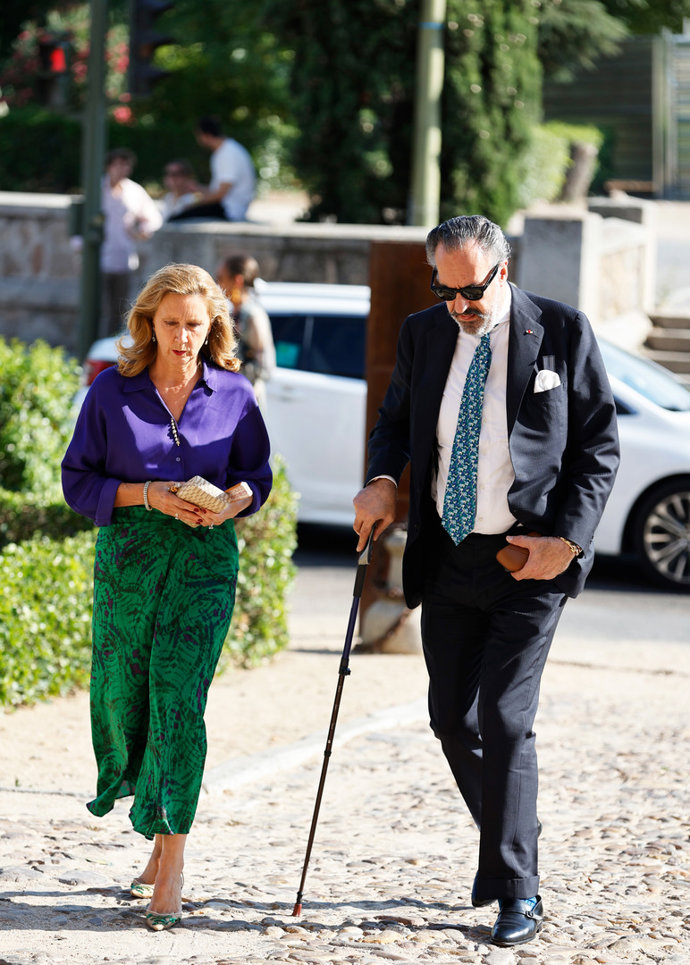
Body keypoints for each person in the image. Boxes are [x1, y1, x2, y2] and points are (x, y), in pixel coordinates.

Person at [353, 215, 620, 948]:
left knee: (504, 718)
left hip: (530, 558)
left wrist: (567, 542)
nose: (460, 304)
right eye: (445, 290)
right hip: (448, 557)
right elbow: (394, 421)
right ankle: (515, 833)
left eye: (471, 289)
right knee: (452, 719)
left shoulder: (561, 331)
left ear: (503, 271)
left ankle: (516, 887)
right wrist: (382, 480)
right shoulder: (424, 332)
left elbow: (598, 446)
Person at [61, 263, 272, 932]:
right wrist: (149, 494)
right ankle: (155, 835)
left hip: (204, 564)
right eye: (172, 323)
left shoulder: (235, 393)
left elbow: (257, 475)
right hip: (129, 561)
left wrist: (237, 498)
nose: (183, 336)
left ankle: (174, 860)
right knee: (125, 699)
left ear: (213, 327)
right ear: (149, 323)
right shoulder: (110, 391)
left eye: (195, 324)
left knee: (179, 699)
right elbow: (77, 481)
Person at [100, 148, 163, 336]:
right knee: (98, 307)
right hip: (99, 258)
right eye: (117, 164)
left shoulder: (134, 191)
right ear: (109, 166)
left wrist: (141, 231)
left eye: (125, 165)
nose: (121, 169)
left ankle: (112, 345)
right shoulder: (97, 189)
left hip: (124, 258)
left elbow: (153, 218)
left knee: (120, 309)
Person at [168, 116, 255, 222]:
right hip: (226, 206)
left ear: (205, 135)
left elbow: (220, 195)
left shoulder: (228, 154)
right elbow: (218, 191)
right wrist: (198, 188)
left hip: (229, 210)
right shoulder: (223, 151)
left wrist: (194, 203)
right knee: (181, 207)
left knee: (177, 217)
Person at [216, 254, 276, 407]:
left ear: (237, 280)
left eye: (221, 278)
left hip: (247, 398)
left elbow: (265, 364)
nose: (218, 284)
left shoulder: (253, 315)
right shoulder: (233, 313)